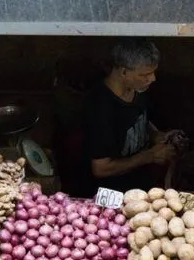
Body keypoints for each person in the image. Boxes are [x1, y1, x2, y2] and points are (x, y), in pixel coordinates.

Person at [76, 38, 187, 197]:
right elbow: (101, 168)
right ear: (123, 72)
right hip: (112, 194)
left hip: (140, 184)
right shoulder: (99, 108)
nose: (153, 78)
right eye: (145, 74)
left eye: (153, 72)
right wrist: (150, 156)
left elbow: (139, 120)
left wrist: (156, 135)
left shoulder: (137, 89)